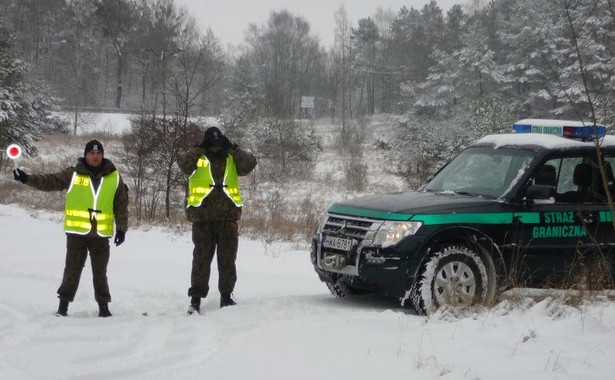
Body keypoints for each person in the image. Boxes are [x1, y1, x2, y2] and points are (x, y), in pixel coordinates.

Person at [12, 139, 128, 317]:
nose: (95, 156)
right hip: (77, 234)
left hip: (100, 234)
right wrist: (27, 178)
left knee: (100, 272)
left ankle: (104, 308)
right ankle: (63, 307)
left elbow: (121, 204)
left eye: (98, 153)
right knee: (72, 270)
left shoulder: (114, 176)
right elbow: (50, 181)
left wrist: (121, 229)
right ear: (85, 155)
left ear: (102, 155)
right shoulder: (73, 174)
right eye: (92, 153)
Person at [178, 126, 257, 314]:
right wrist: (199, 148)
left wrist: (232, 147)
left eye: (217, 142)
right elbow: (184, 165)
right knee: (201, 260)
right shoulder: (197, 157)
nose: (215, 146)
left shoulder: (231, 157)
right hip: (202, 218)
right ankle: (195, 299)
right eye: (211, 143)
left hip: (227, 219)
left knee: (228, 260)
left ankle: (226, 297)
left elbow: (249, 164)